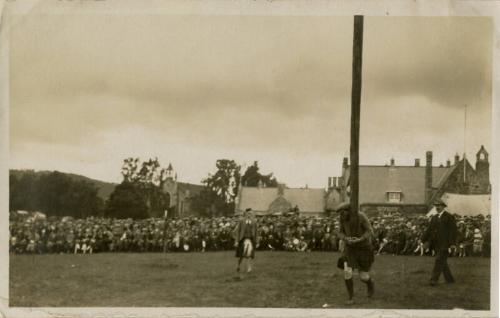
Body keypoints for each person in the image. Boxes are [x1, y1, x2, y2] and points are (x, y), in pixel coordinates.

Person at [335, 202, 375, 305]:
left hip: (364, 248)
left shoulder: (361, 216)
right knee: (347, 273)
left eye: (342, 213)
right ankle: (351, 298)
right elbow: (339, 232)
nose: (341, 216)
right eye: (339, 214)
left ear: (348, 211)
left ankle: (370, 284)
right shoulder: (342, 219)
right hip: (350, 248)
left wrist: (360, 239)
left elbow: (370, 231)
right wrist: (346, 238)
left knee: (363, 277)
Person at [422, 199, 457, 286]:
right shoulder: (434, 217)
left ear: (443, 207)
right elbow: (429, 230)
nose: (437, 207)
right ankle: (450, 279)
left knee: (439, 260)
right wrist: (423, 239)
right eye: (436, 206)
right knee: (442, 262)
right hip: (436, 243)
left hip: (445, 243)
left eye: (439, 205)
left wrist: (452, 243)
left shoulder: (449, 217)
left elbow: (453, 231)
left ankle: (433, 280)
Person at [232, 208, 258, 273]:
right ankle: (238, 265)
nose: (250, 214)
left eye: (251, 213)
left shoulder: (254, 222)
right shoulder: (241, 221)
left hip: (251, 240)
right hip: (242, 240)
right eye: (249, 213)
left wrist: (257, 242)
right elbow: (237, 232)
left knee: (249, 254)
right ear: (245, 213)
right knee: (241, 255)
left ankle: (249, 268)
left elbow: (256, 232)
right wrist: (236, 241)